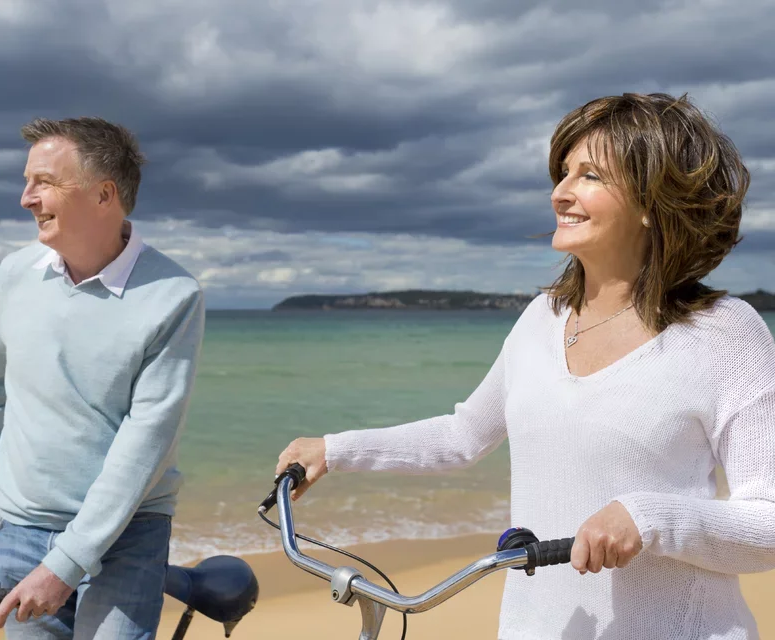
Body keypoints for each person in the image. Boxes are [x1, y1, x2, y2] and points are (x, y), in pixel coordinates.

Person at [276, 93, 775, 639]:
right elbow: (465, 434)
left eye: (589, 175)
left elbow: (768, 522)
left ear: (653, 202)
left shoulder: (725, 333)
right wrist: (337, 449)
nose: (561, 193)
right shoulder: (543, 317)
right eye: (563, 174)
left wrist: (648, 518)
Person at [0, 117, 205, 640]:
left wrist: (67, 563)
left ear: (105, 194)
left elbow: (147, 440)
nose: (26, 198)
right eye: (28, 181)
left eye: (45, 183)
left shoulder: (174, 295)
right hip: (23, 525)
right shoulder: (15, 271)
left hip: (127, 532)